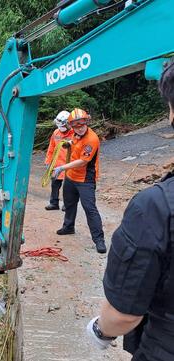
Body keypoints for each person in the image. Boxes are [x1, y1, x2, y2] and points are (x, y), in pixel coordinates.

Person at [86, 61, 174, 360]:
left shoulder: (155, 208)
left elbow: (123, 316)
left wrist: (101, 330)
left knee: (90, 211)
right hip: (66, 182)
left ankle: (97, 239)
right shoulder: (65, 138)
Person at [52, 108, 106, 254]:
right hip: (71, 177)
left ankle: (99, 240)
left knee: (90, 208)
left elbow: (83, 161)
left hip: (85, 180)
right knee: (69, 204)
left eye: (82, 126)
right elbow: (75, 142)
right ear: (72, 127)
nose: (80, 129)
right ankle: (69, 227)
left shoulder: (91, 139)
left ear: (86, 123)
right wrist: (69, 143)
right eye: (76, 127)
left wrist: (62, 167)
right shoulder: (76, 135)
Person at [44, 110, 73, 211]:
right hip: (56, 165)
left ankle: (67, 205)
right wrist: (48, 162)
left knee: (68, 187)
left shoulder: (74, 134)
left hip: (69, 165)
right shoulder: (56, 132)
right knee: (55, 185)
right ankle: (54, 203)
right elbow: (51, 148)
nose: (62, 129)